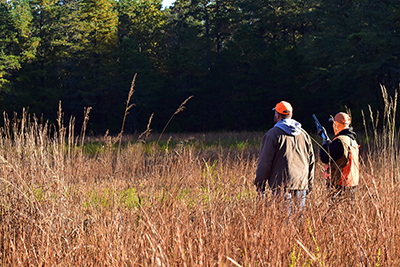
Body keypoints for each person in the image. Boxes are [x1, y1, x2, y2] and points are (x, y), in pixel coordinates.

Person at [254, 101, 315, 213]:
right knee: (298, 222)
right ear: (290, 114)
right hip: (301, 185)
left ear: (277, 115)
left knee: (284, 222)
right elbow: (311, 161)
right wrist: (309, 184)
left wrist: (260, 184)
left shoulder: (272, 134)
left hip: (281, 186)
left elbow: (265, 162)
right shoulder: (304, 134)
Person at [318, 112, 359, 200]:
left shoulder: (339, 141)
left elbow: (325, 158)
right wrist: (329, 142)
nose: (333, 125)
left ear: (336, 124)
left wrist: (324, 143)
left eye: (334, 123)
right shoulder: (352, 141)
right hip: (352, 184)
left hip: (339, 186)